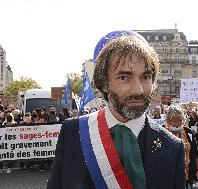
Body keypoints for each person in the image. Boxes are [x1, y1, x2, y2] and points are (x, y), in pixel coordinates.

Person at [47, 30, 185, 189]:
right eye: (124, 77)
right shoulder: (73, 133)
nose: (138, 90)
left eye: (146, 76)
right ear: (103, 83)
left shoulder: (172, 147)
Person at [165, 105, 198, 189]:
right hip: (167, 177)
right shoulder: (161, 133)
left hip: (186, 175)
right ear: (167, 120)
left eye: (179, 121)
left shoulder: (188, 132)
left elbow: (195, 153)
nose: (176, 124)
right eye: (173, 121)